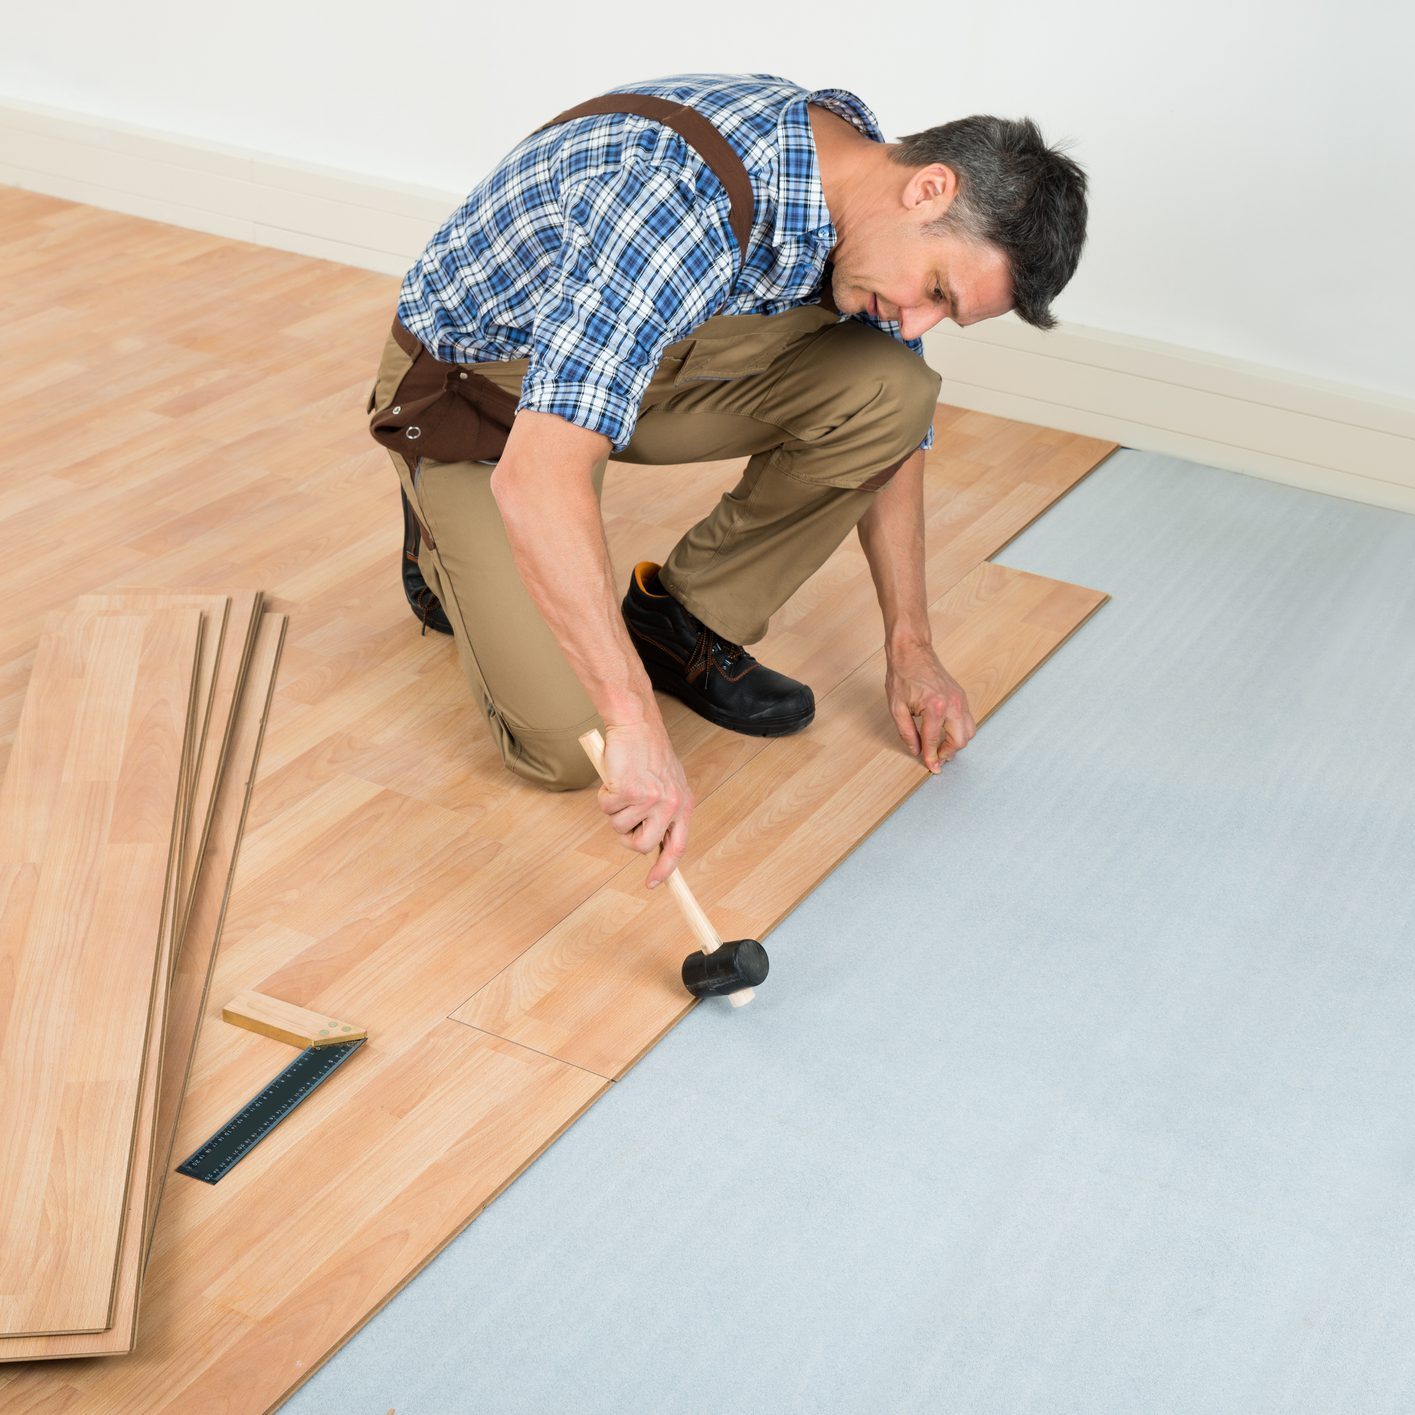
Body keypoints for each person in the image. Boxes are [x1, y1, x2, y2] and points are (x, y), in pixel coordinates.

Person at [367, 72, 1087, 888]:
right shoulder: (674, 201)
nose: (915, 322)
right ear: (928, 189)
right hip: (482, 401)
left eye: (941, 315)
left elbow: (896, 435)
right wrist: (631, 720)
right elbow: (540, 477)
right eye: (933, 292)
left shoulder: (854, 191)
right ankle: (439, 532)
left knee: (891, 387)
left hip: (639, 366)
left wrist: (910, 647)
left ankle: (681, 619)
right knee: (572, 746)